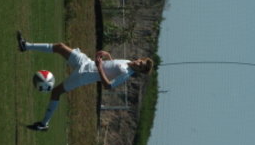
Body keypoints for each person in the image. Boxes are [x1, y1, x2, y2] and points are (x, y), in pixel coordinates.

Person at [16, 31, 154, 131]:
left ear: (140, 71)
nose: (138, 64)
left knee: (56, 92)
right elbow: (112, 67)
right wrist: (107, 55)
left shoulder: (126, 74)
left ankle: (43, 124)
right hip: (87, 62)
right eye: (140, 62)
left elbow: (108, 85)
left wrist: (99, 67)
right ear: (140, 59)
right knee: (60, 47)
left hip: (84, 75)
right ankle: (25, 45)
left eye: (140, 67)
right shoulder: (128, 62)